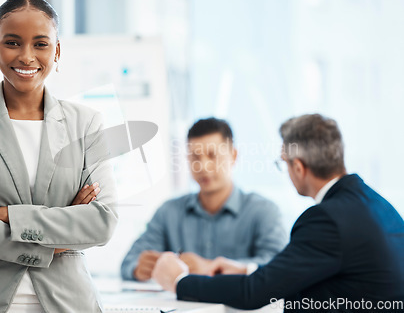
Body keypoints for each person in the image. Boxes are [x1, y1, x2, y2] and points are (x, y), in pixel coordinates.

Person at [0, 0, 118, 313]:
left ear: (57, 51)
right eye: (13, 42)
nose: (27, 56)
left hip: (69, 304)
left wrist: (8, 215)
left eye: (41, 44)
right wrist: (56, 242)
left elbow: (102, 221)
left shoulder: (86, 124)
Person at [153, 114, 404, 312]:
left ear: (298, 167)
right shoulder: (377, 204)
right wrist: (249, 269)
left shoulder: (326, 219)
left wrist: (179, 281)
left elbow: (253, 293)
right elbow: (307, 273)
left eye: (282, 163)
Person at [121, 117, 287, 281]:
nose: (202, 166)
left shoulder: (264, 211)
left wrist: (210, 267)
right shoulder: (169, 212)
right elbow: (129, 262)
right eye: (195, 157)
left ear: (233, 156)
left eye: (212, 155)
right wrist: (139, 268)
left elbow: (279, 267)